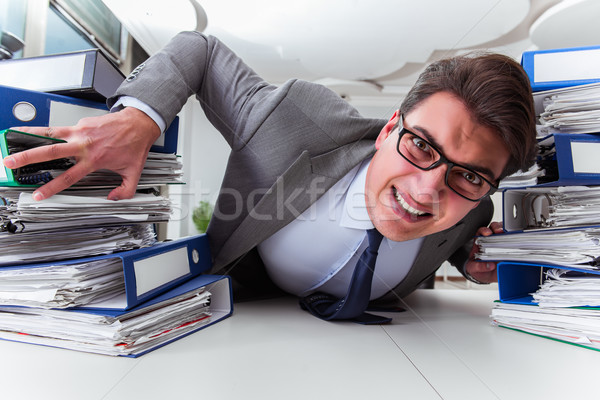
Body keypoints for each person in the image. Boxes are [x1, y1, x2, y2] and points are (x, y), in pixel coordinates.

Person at [3, 31, 537, 318]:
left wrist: (474, 266)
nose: (427, 190)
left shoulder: (474, 212)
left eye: (468, 177)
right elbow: (201, 51)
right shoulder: (294, 122)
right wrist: (139, 117)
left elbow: (463, 245)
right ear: (389, 127)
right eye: (421, 145)